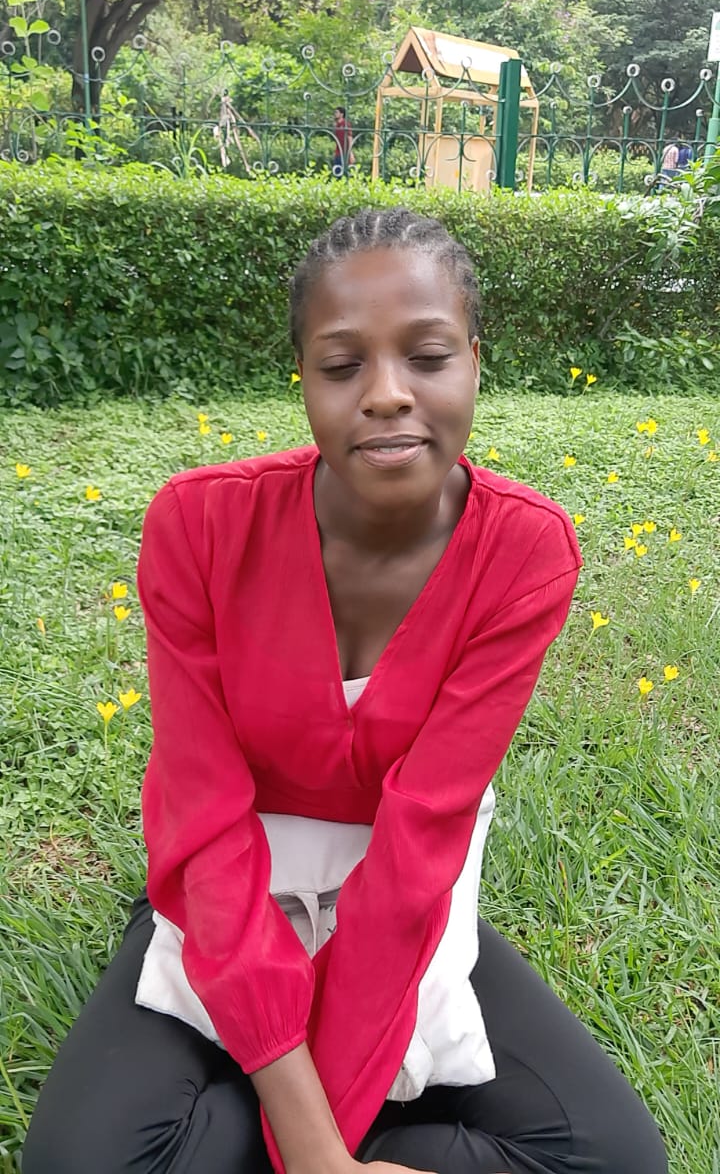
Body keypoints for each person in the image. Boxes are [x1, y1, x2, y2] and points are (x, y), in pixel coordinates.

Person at [23, 208, 668, 1174]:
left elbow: (419, 842)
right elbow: (202, 814)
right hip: (226, 887)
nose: (387, 394)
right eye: (341, 365)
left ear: (475, 362)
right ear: (304, 378)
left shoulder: (523, 553)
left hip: (404, 891)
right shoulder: (200, 528)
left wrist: (323, 1144)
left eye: (429, 356)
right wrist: (316, 1149)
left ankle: (245, 1132)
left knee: (615, 1158)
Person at [332, 105, 355, 177]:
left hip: (345, 152)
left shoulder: (346, 124)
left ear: (342, 114)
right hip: (338, 152)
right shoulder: (337, 125)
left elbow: (350, 138)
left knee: (345, 173)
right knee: (337, 172)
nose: (335, 114)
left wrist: (350, 153)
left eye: (337, 112)